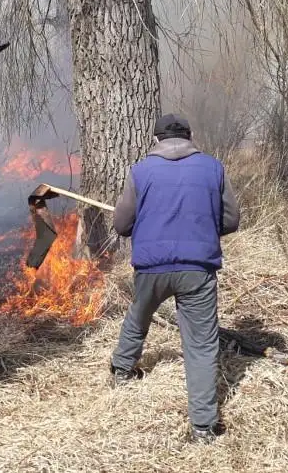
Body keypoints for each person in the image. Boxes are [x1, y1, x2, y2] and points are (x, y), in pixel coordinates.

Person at [110, 114, 240, 444]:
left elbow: (122, 224)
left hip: (152, 267)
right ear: (190, 136)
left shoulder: (140, 171)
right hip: (197, 269)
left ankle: (121, 372)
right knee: (200, 346)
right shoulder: (213, 168)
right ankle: (203, 427)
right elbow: (231, 220)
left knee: (138, 317)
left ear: (155, 140)